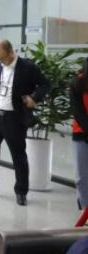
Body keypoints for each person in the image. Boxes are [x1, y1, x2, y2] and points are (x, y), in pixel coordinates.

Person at [0, 39, 50, 205]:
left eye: (0, 55)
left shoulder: (27, 67)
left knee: (18, 156)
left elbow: (45, 84)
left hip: (15, 118)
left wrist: (34, 98)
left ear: (11, 53)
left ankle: (21, 191)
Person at [71, 58, 88, 210]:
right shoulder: (77, 82)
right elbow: (78, 111)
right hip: (82, 133)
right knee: (82, 177)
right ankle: (84, 208)